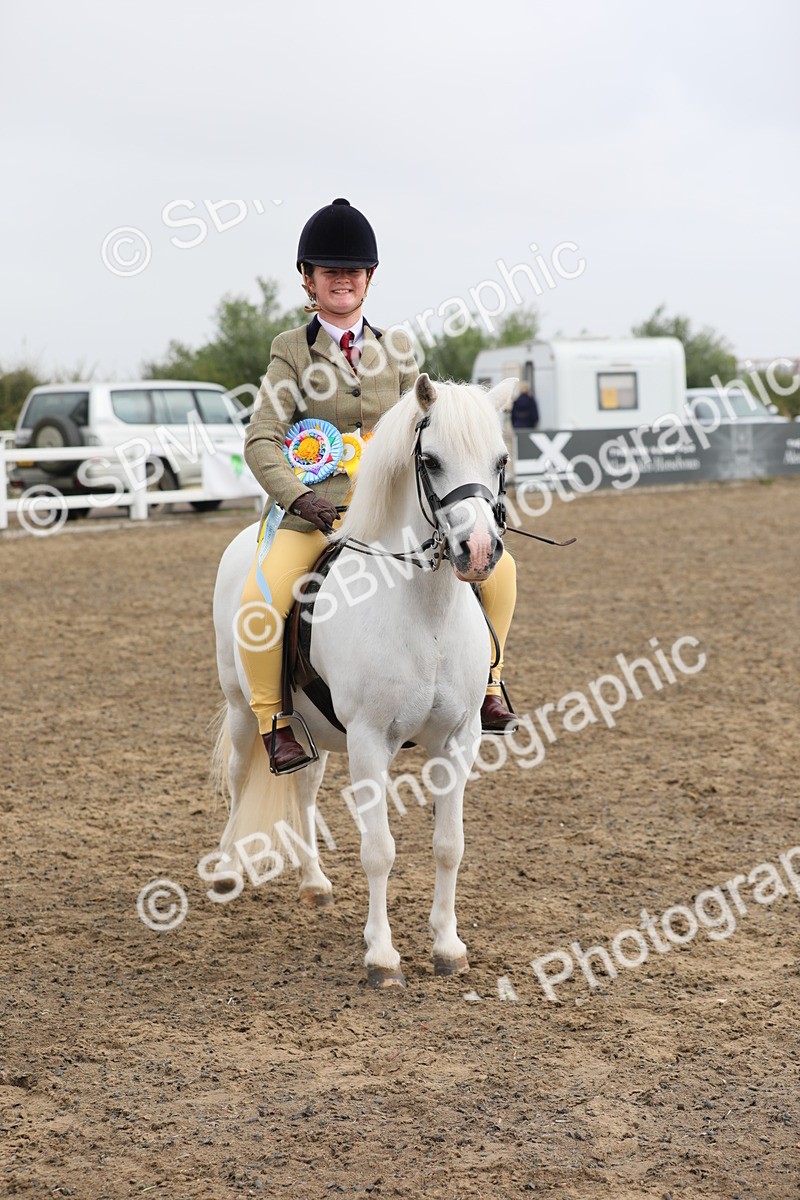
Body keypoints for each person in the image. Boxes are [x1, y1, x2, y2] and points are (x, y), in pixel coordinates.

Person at [240, 197, 518, 772]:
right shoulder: (291, 352)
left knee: (502, 570)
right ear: (308, 280)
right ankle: (276, 722)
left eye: (352, 271)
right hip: (316, 513)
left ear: (369, 278)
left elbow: (429, 430)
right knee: (262, 592)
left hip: (392, 515)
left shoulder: (398, 350)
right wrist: (298, 496)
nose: (342, 281)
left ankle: (488, 685)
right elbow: (261, 440)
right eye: (329, 272)